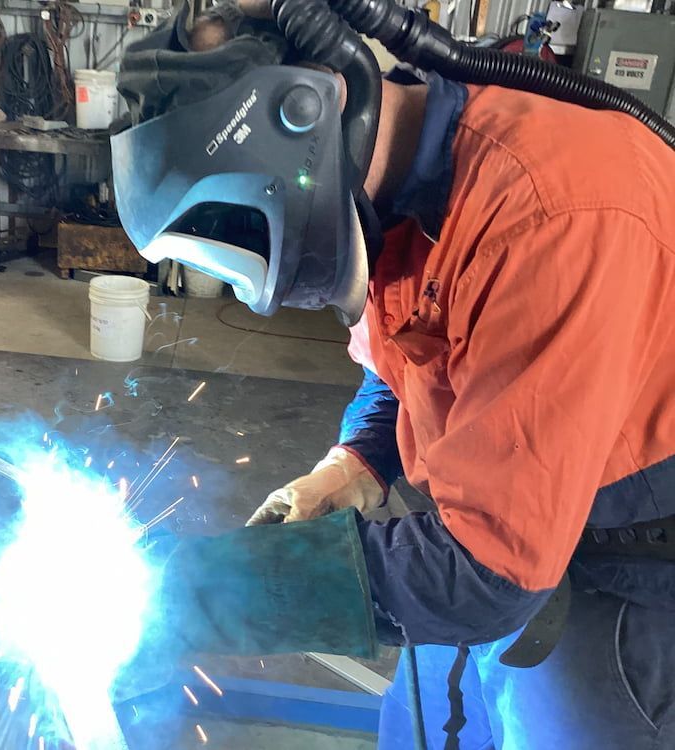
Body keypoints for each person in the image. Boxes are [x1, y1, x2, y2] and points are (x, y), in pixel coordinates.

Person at [110, 1, 675, 748]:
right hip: (486, 528)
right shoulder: (392, 191)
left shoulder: (551, 217)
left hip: (627, 576)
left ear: (308, 117)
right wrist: (356, 462)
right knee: (416, 728)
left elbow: (487, 577)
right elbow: (419, 352)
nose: (253, 289)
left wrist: (196, 593)